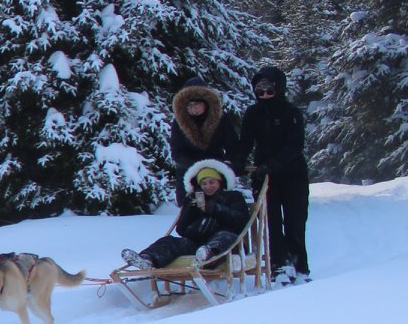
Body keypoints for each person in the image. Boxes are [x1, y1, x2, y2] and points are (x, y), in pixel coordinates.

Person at [237, 63, 311, 283]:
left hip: (292, 174)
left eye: (270, 89)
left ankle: (299, 266)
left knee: (295, 221)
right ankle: (279, 265)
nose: (265, 94)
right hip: (265, 176)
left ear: (279, 88)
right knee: (272, 222)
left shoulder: (291, 113)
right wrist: (238, 161)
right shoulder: (253, 113)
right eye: (260, 90)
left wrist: (276, 163)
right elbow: (246, 142)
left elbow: (295, 145)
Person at [121, 159, 252, 271]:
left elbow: (241, 221)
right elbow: (181, 230)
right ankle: (148, 259)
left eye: (212, 182)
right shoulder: (193, 199)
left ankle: (209, 254)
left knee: (224, 237)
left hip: (229, 244)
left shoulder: (233, 197)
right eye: (204, 183)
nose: (208, 187)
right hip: (197, 244)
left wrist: (215, 209)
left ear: (220, 182)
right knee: (169, 241)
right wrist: (191, 209)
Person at [167, 75, 239, 202]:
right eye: (190, 105)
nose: (193, 108)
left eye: (197, 104)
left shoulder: (221, 119)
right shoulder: (179, 122)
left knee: (217, 209)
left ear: (206, 103)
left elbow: (232, 146)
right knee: (189, 212)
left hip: (215, 172)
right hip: (188, 173)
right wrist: (196, 166)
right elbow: (177, 152)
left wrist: (226, 165)